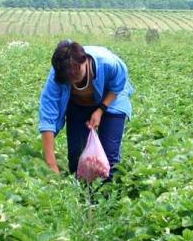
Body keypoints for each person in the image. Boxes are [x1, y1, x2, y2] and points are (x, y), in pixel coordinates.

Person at [38, 40, 133, 177]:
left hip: (112, 100)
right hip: (78, 105)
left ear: (85, 61)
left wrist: (101, 109)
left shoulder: (107, 63)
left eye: (77, 73)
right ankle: (81, 194)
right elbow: (48, 115)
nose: (74, 80)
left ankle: (107, 193)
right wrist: (51, 164)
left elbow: (117, 85)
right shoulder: (59, 73)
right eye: (69, 78)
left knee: (109, 159)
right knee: (77, 157)